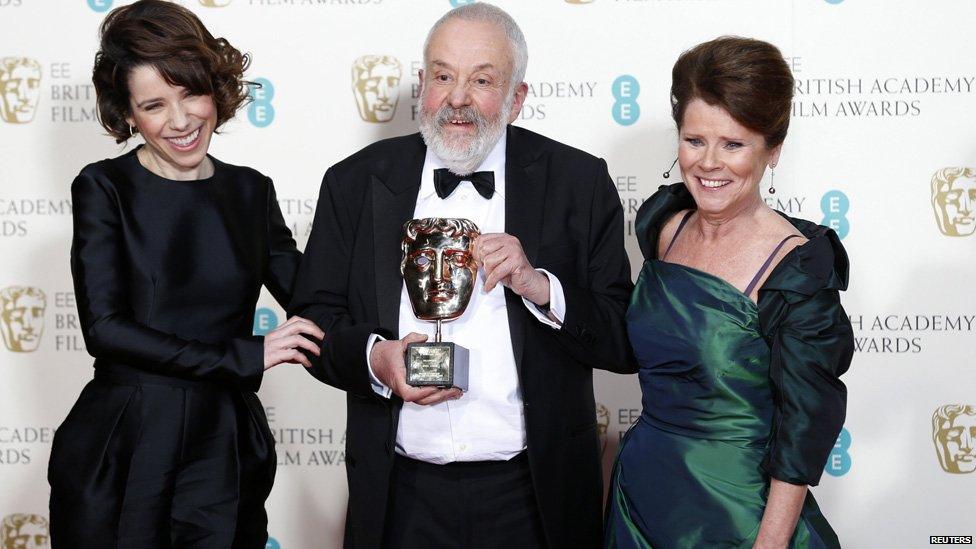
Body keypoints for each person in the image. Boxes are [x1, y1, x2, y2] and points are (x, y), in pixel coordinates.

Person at [288, 4, 633, 548]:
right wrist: (375, 359)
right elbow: (314, 323)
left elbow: (621, 336)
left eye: (482, 80)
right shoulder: (353, 183)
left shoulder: (579, 182)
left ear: (517, 98)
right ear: (421, 84)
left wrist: (539, 286)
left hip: (534, 498)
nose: (457, 98)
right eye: (443, 76)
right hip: (400, 497)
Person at [47, 2, 322, 546]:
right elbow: (105, 327)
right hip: (127, 440)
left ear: (215, 91)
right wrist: (245, 354)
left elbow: (315, 297)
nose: (180, 120)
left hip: (224, 445)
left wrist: (393, 340)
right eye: (153, 104)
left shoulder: (251, 191)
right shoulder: (103, 188)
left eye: (191, 93)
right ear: (127, 115)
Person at [605, 37, 853, 548]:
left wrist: (769, 542)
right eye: (695, 141)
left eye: (734, 145)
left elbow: (804, 427)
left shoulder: (797, 267)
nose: (710, 164)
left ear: (773, 150)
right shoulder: (662, 225)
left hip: (738, 516)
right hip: (642, 500)